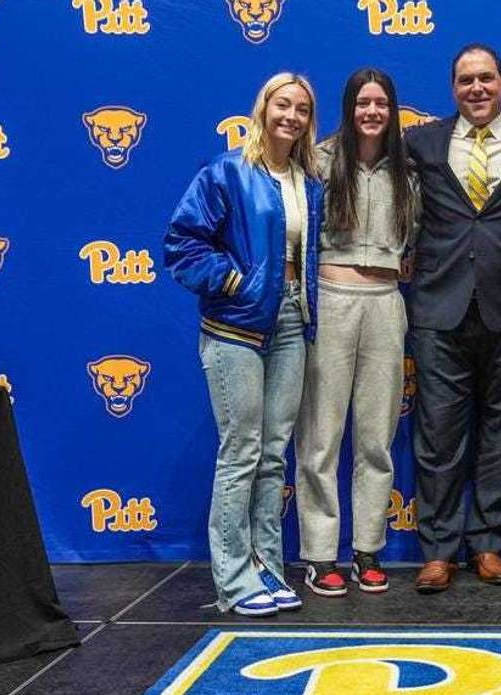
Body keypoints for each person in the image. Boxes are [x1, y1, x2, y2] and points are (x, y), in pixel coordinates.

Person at [164, 73, 323, 616]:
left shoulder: (310, 180)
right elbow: (182, 244)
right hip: (234, 329)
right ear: (263, 108)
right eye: (283, 104)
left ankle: (268, 569)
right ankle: (233, 582)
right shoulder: (228, 172)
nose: (292, 116)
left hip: (290, 323)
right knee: (241, 453)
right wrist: (234, 282)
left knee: (274, 455)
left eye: (302, 109)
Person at [404, 44, 501, 593]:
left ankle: (489, 544)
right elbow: (358, 165)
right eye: (466, 79)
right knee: (439, 435)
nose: (477, 89)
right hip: (438, 308)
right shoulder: (419, 141)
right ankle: (439, 550)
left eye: (486, 79)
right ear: (453, 87)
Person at [295, 68, 417, 597]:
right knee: (320, 438)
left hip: (386, 303)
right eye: (363, 103)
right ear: (349, 108)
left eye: (381, 104)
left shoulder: (408, 170)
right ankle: (320, 556)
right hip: (332, 300)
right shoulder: (318, 161)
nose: (372, 112)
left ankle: (368, 550)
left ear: (392, 111)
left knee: (376, 438)